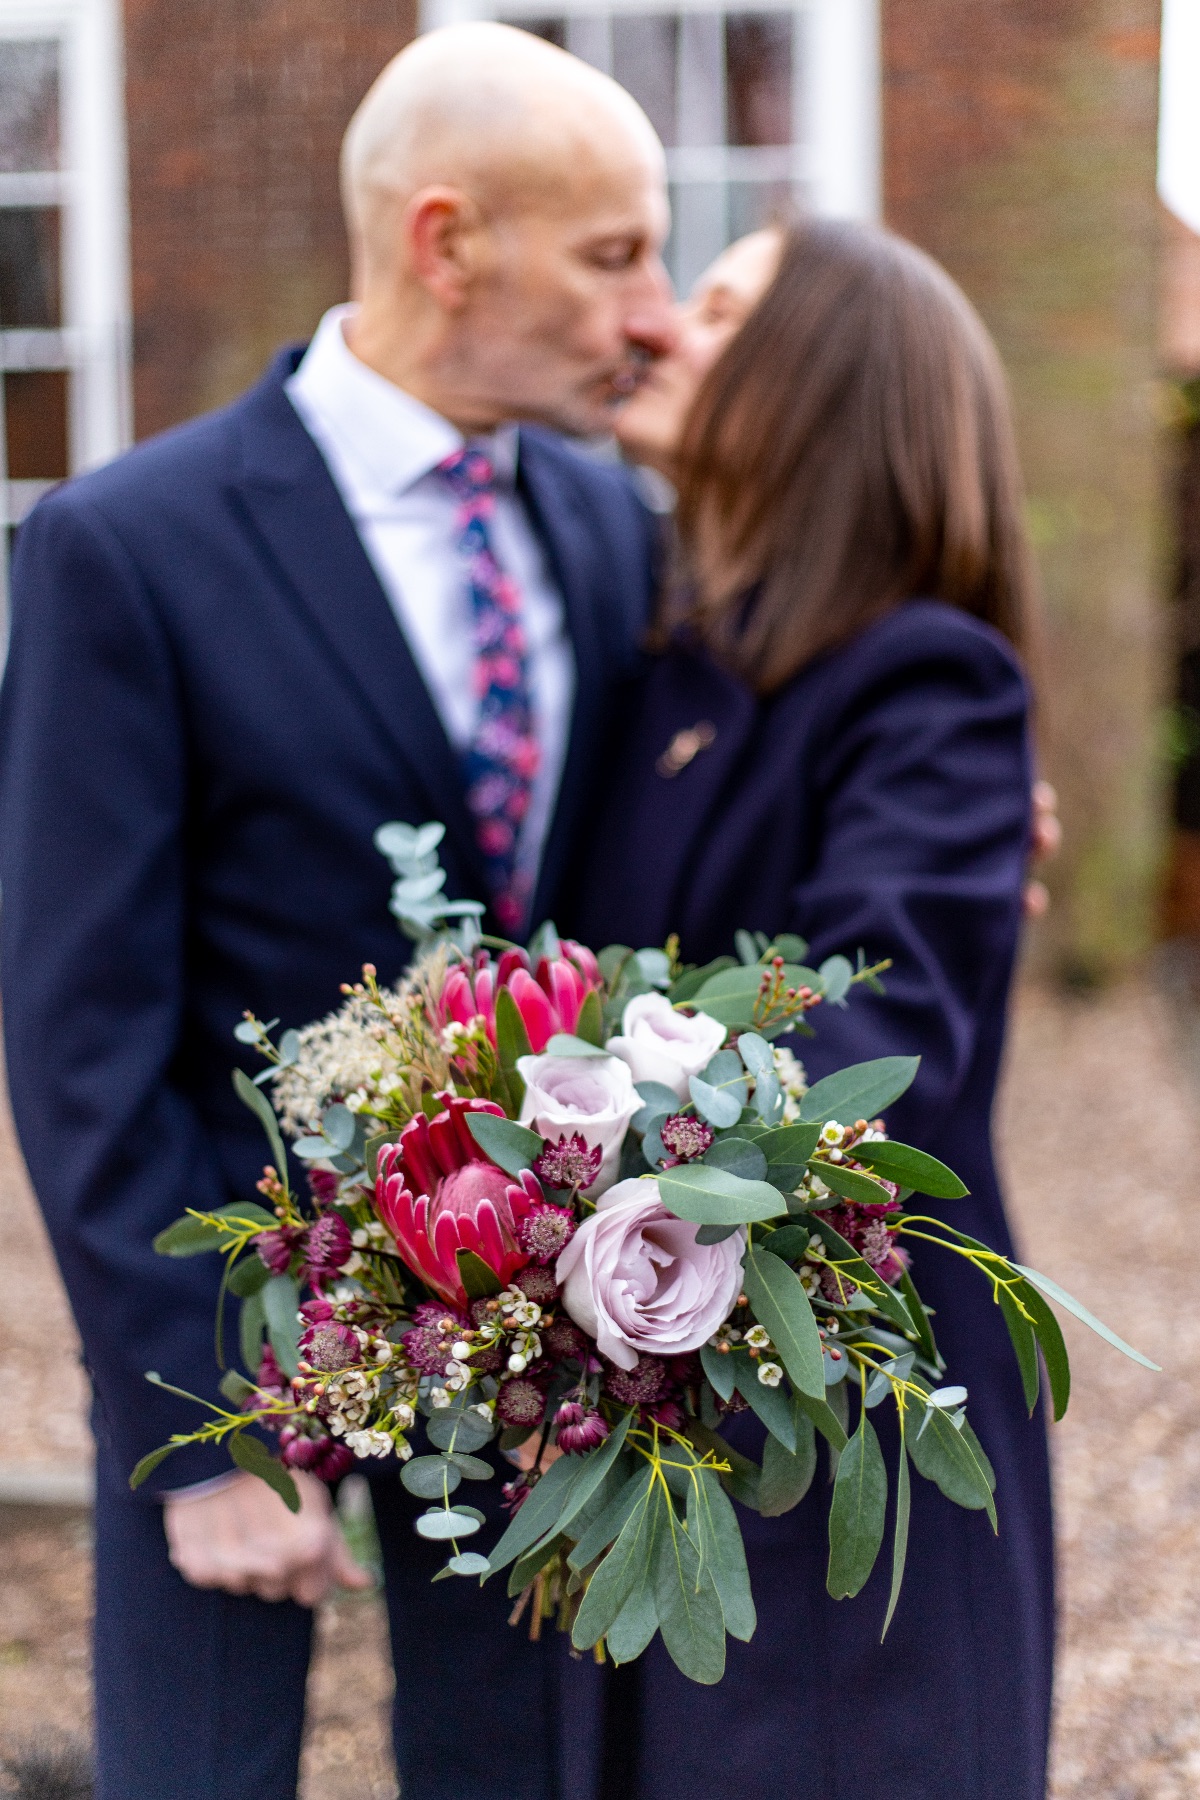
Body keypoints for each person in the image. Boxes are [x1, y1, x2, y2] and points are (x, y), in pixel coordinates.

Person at [0, 24, 674, 1799]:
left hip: (543, 1338)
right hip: (227, 1331)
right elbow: (79, 1034)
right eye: (614, 255)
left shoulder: (615, 536)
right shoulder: (126, 549)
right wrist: (190, 1430)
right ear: (448, 243)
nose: (657, 312)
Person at [565, 218, 1055, 1799]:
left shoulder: (927, 682)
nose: (658, 326)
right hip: (652, 1399)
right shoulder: (669, 674)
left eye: (716, 310)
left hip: (841, 1414)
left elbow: (868, 1053)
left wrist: (551, 1182)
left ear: (822, 391)